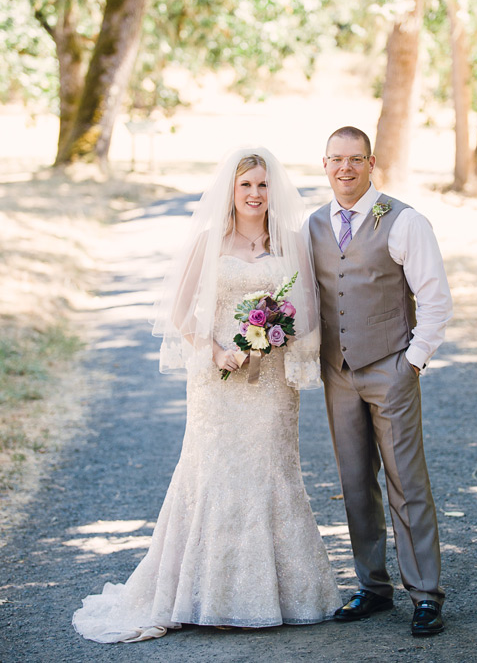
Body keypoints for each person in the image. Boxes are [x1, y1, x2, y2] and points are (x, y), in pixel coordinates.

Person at [72, 148, 340, 643]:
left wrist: (278, 333)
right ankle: (205, 593)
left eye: (262, 186)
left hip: (272, 384)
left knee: (272, 470)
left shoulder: (290, 241)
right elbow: (178, 313)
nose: (255, 195)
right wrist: (215, 350)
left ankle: (276, 595)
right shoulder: (208, 241)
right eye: (246, 186)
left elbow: (308, 308)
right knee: (214, 471)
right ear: (231, 191)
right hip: (219, 383)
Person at [307, 126, 453, 637]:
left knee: (406, 482)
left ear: (372, 164)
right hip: (337, 372)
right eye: (336, 159)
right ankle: (372, 587)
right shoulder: (314, 225)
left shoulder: (404, 220)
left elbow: (435, 297)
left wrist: (411, 361)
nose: (345, 168)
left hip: (391, 367)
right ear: (324, 164)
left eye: (356, 159)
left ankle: (425, 594)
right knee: (353, 483)